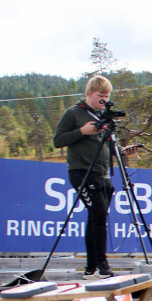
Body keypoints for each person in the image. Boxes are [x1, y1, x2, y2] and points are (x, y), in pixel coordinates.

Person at [53, 75, 115, 279]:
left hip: (102, 173)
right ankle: (102, 264)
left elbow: (107, 145)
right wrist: (81, 131)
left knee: (96, 218)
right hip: (82, 172)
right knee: (98, 214)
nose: (104, 100)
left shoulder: (103, 116)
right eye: (100, 95)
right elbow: (58, 140)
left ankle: (91, 268)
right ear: (89, 93)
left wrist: (121, 151)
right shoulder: (73, 113)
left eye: (107, 96)